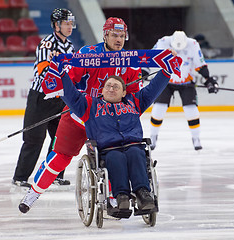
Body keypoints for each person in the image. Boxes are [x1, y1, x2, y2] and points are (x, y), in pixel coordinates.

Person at [19, 51, 178, 213]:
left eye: (116, 86)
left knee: (136, 154)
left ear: (124, 92)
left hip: (129, 143)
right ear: (101, 91)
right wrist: (58, 69)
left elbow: (154, 88)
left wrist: (167, 68)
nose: (111, 88)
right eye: (108, 86)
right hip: (102, 140)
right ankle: (120, 195)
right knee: (100, 158)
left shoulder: (134, 101)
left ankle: (142, 193)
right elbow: (69, 92)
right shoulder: (90, 103)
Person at [18, 17, 147, 213]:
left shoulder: (130, 61)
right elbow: (68, 80)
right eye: (114, 35)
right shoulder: (88, 54)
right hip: (81, 113)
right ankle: (34, 193)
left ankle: (115, 197)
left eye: (122, 35)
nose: (119, 39)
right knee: (60, 156)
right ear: (105, 35)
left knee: (113, 155)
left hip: (107, 119)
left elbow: (133, 96)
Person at [12, 8, 75, 188]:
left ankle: (55, 174)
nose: (70, 27)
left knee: (60, 140)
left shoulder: (70, 46)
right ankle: (20, 177)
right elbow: (43, 72)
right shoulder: (46, 44)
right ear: (56, 25)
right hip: (41, 98)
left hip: (60, 99)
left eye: (71, 23)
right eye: (66, 23)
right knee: (33, 139)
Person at [149, 31, 219, 151]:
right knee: (158, 109)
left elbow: (200, 64)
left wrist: (208, 79)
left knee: (191, 110)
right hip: (166, 81)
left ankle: (196, 138)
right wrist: (144, 71)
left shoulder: (193, 44)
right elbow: (150, 58)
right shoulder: (163, 42)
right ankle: (153, 136)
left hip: (186, 82)